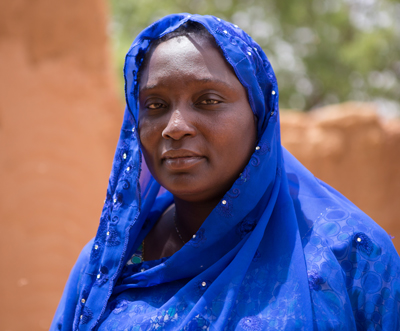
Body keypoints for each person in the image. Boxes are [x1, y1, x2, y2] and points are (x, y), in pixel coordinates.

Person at [51, 14, 400, 331]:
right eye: (155, 105)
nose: (174, 127)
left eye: (208, 101)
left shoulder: (349, 255)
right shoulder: (111, 264)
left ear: (259, 115)